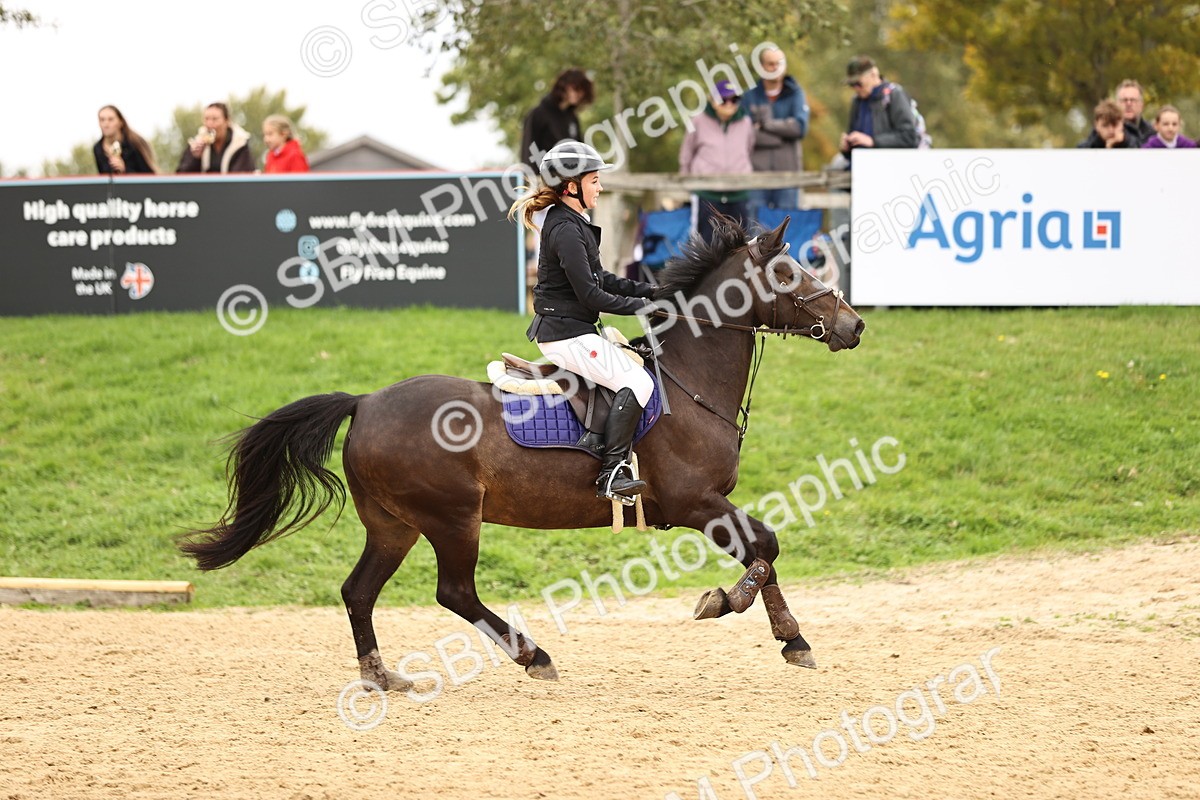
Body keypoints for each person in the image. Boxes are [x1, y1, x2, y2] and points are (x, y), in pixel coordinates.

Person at [509, 141, 668, 501]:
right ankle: (611, 474)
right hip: (564, 335)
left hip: (574, 330)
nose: (600, 187)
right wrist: (641, 308)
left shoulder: (574, 223)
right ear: (571, 186)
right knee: (638, 382)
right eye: (594, 180)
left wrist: (652, 292)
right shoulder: (564, 230)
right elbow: (592, 297)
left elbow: (604, 279)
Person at [679, 79, 754, 244]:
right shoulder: (697, 121)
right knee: (706, 244)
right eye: (723, 99)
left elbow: (749, 149)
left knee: (741, 244)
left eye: (734, 99)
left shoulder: (746, 122)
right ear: (712, 101)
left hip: (738, 192)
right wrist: (686, 184)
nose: (729, 104)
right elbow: (686, 154)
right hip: (706, 192)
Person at [742, 45, 810, 217]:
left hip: (787, 175)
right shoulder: (749, 96)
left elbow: (800, 128)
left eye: (779, 63)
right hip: (756, 175)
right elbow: (744, 134)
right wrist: (781, 135)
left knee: (786, 229)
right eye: (770, 64)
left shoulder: (796, 93)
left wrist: (765, 125)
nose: (775, 67)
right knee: (754, 230)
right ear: (762, 67)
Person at [838, 55, 920, 164]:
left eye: (858, 83)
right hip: (862, 166)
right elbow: (855, 144)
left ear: (873, 74)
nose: (855, 88)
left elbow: (909, 137)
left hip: (892, 167)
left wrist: (873, 141)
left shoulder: (894, 95)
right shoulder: (857, 101)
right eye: (852, 84)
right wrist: (846, 147)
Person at [519, 69, 595, 172]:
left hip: (567, 180)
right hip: (543, 179)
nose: (579, 94)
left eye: (582, 90)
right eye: (576, 88)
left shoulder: (572, 118)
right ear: (563, 87)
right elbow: (528, 151)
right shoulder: (538, 114)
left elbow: (579, 150)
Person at [177, 102, 254, 174]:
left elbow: (242, 177)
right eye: (206, 119)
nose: (209, 124)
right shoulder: (196, 145)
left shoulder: (240, 144)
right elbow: (181, 177)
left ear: (227, 121)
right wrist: (195, 158)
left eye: (215, 119)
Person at [93, 105, 157, 175]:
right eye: (102, 120)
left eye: (110, 119)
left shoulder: (134, 143)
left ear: (121, 122)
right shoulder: (98, 148)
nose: (106, 124)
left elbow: (149, 175)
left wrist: (125, 169)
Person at [1115, 80, 1155, 145]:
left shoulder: (1152, 134)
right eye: (1124, 100)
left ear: (1141, 105)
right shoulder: (1106, 131)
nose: (1128, 104)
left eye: (1133, 100)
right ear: (1116, 105)